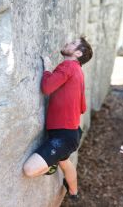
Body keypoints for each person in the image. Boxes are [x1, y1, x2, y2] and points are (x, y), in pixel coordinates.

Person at [23, 36, 93, 199]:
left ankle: (51, 164)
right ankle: (74, 193)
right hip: (72, 134)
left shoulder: (68, 65)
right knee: (65, 161)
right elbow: (82, 107)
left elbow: (47, 87)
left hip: (62, 137)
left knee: (29, 169)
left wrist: (47, 69)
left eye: (73, 43)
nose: (67, 42)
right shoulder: (78, 72)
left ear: (77, 53)